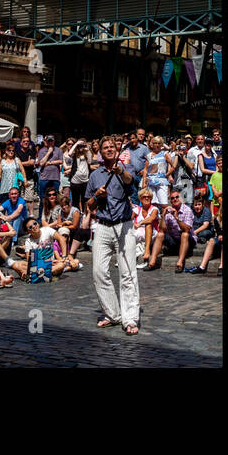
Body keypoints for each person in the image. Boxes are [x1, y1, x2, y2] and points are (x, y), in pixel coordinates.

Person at [85, 136, 140, 334]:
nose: (108, 149)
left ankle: (130, 318)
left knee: (127, 273)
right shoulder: (95, 175)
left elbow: (130, 182)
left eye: (111, 147)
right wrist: (95, 197)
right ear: (100, 152)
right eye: (105, 147)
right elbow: (88, 205)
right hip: (102, 226)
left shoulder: (126, 168)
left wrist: (121, 171)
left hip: (124, 225)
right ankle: (113, 314)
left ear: (116, 150)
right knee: (99, 272)